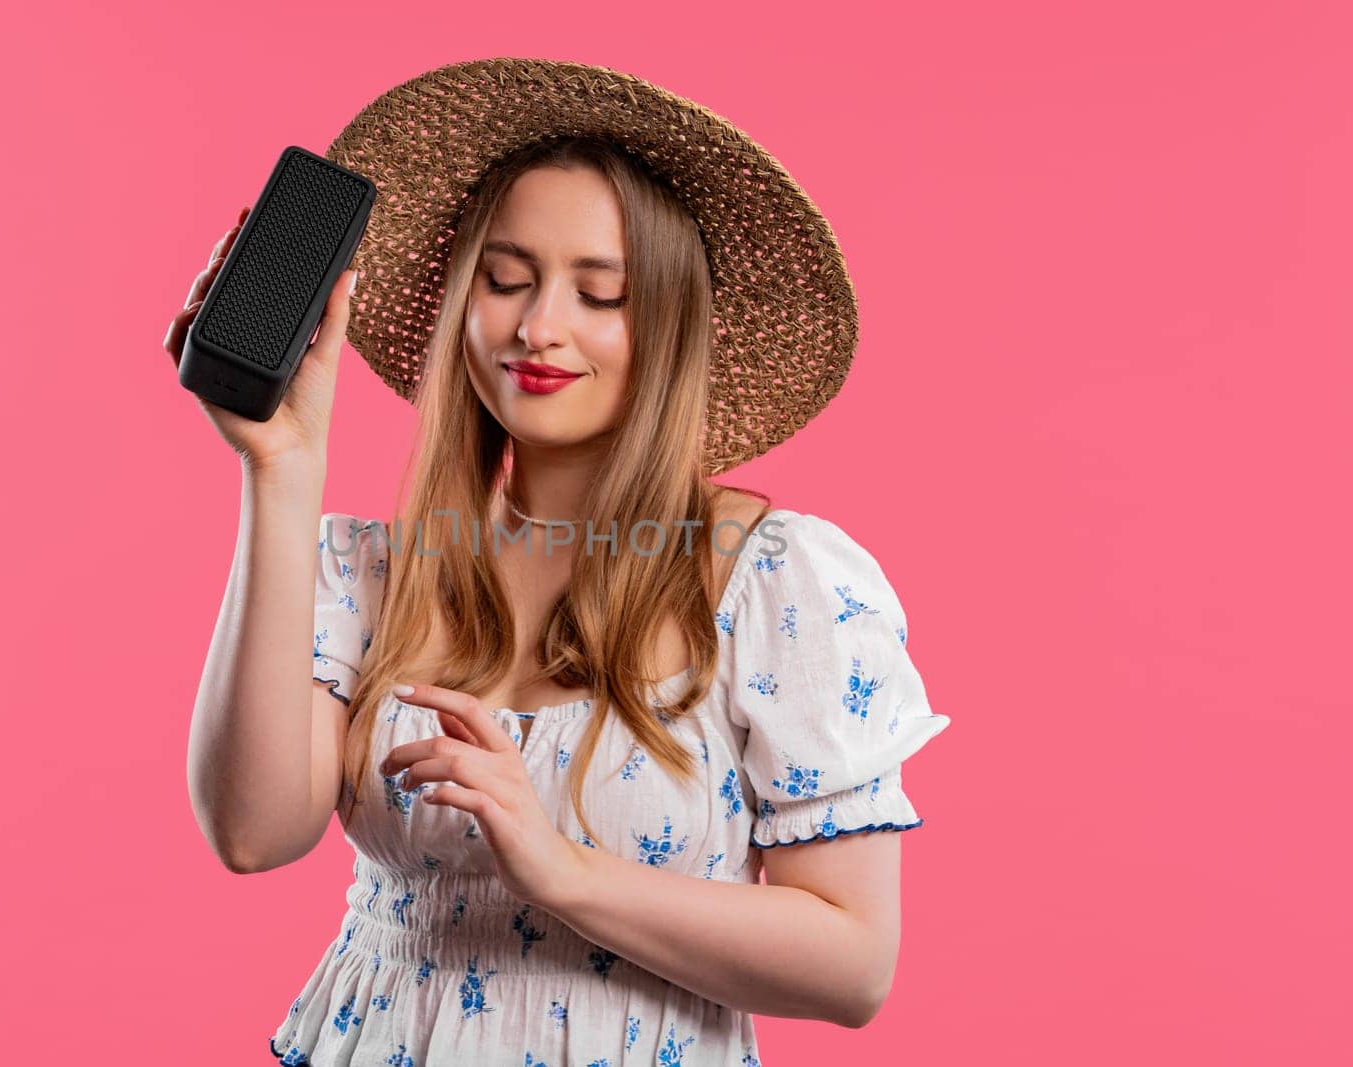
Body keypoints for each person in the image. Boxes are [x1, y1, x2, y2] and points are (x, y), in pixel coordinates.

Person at [167, 59, 951, 1067]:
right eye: (504, 279)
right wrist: (281, 466)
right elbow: (251, 831)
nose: (538, 325)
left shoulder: (778, 586)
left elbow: (853, 964)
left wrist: (560, 870)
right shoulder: (366, 571)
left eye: (600, 292)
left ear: (667, 326)